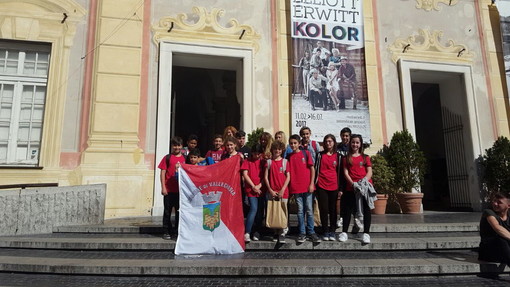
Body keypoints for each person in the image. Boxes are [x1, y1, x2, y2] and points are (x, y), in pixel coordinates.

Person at [339, 134, 373, 244]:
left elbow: (369, 172)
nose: (355, 144)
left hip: (364, 188)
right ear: (350, 143)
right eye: (353, 142)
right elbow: (345, 172)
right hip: (351, 188)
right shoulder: (346, 158)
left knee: (366, 210)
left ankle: (366, 233)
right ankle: (344, 232)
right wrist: (353, 184)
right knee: (347, 210)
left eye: (357, 142)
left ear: (360, 144)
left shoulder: (365, 157)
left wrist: (363, 182)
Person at [287, 134, 320, 243]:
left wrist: (311, 184)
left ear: (299, 143)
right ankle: (302, 232)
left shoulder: (306, 153)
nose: (293, 145)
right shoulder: (289, 157)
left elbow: (312, 169)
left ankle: (311, 231)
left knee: (309, 209)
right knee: (300, 211)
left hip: (307, 187)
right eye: (291, 143)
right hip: (296, 188)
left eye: (295, 143)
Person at [158, 136, 186, 240]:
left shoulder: (185, 158)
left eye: (178, 145)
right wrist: (163, 187)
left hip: (181, 191)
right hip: (169, 190)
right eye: (175, 145)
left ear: (182, 146)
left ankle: (177, 231)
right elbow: (163, 172)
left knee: (179, 212)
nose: (177, 147)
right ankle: (166, 231)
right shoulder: (167, 158)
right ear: (172, 146)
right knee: (167, 212)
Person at [314, 134, 342, 241]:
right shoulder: (320, 155)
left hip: (334, 186)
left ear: (334, 142)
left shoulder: (338, 156)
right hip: (321, 185)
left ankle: (332, 231)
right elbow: (316, 169)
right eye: (326, 141)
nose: (328, 143)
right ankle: (325, 230)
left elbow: (340, 173)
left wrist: (340, 188)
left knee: (333, 210)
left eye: (330, 141)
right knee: (324, 209)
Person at [264, 141, 291, 243]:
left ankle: (283, 232)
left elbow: (288, 177)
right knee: (274, 211)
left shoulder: (285, 162)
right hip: (272, 191)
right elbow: (266, 177)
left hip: (283, 192)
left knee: (283, 211)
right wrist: (270, 190)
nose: (277, 151)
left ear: (282, 150)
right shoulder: (269, 162)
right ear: (272, 150)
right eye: (275, 149)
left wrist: (283, 189)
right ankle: (275, 232)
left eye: (279, 149)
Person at [241, 144, 265, 242]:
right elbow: (245, 174)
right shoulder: (247, 161)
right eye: (255, 154)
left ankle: (257, 231)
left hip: (261, 189)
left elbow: (266, 176)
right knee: (253, 209)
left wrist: (260, 185)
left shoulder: (263, 162)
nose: (257, 156)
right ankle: (247, 232)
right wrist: (253, 186)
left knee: (260, 211)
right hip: (251, 189)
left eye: (259, 154)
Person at [478, 192, 510, 265]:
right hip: (488, 251)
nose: (495, 204)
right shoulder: (488, 212)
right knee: (501, 238)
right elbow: (497, 228)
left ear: (508, 205)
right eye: (494, 201)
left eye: (499, 202)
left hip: (504, 251)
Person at [336, 127, 352, 229]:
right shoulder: (337, 147)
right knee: (342, 198)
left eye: (347, 136)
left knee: (352, 198)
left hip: (351, 176)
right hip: (340, 176)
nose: (345, 137)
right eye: (343, 135)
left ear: (349, 137)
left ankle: (356, 218)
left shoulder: (353, 147)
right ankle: (341, 217)